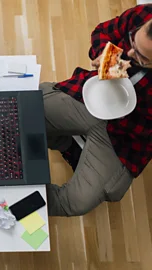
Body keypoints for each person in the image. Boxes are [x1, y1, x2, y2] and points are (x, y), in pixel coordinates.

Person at [41, 4, 152, 217]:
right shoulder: (144, 15)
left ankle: (23, 200)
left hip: (126, 136)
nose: (128, 53)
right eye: (132, 42)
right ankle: (69, 144)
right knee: (26, 107)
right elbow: (103, 32)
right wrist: (105, 56)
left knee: (76, 202)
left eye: (142, 57)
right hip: (94, 95)